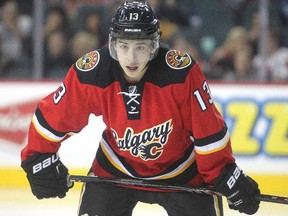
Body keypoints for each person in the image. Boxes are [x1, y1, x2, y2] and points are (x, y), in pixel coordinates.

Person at [20, 1, 260, 216]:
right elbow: (55, 116)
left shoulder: (180, 73)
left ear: (154, 45)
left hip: (182, 170)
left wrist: (224, 173)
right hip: (116, 168)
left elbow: (207, 131)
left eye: (140, 47)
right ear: (113, 44)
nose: (131, 58)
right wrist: (37, 157)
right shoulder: (94, 71)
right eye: (124, 46)